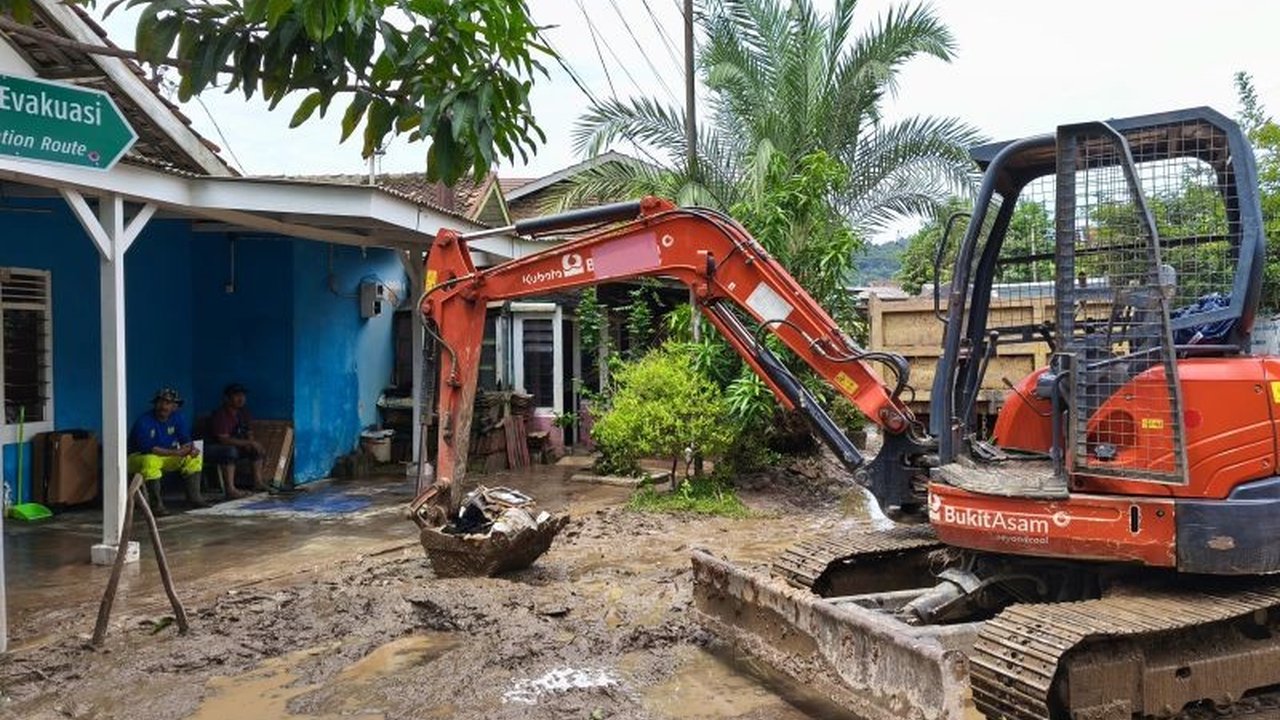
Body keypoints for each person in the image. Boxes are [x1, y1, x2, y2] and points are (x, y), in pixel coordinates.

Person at [127, 388, 205, 515]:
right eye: (160, 402)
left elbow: (185, 440)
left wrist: (191, 449)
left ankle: (195, 498)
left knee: (194, 457)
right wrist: (176, 453)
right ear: (155, 404)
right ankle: (156, 505)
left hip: (166, 456)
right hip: (137, 458)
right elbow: (148, 448)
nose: (163, 406)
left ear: (175, 406)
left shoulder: (177, 418)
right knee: (150, 460)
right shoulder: (144, 420)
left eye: (168, 403)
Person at [206, 383, 269, 498]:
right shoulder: (221, 414)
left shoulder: (244, 412)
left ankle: (258, 483)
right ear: (227, 398)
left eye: (243, 396)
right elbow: (223, 440)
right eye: (237, 396)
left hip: (234, 445)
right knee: (230, 451)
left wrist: (251, 443)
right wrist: (248, 443)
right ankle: (230, 490)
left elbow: (249, 433)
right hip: (213, 447)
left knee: (256, 449)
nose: (241, 399)